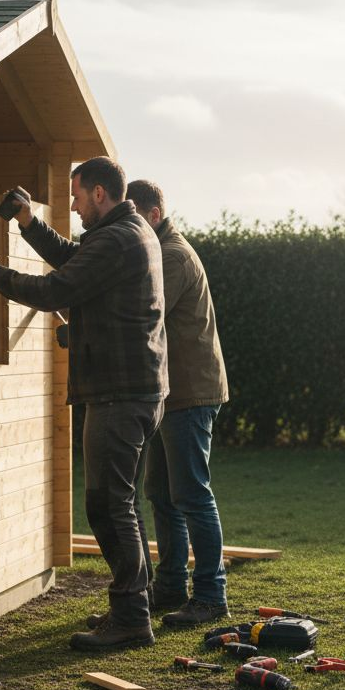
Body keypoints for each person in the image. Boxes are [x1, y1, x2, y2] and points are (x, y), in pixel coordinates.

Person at [0, 157, 167, 650]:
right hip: (134, 390)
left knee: (106, 506)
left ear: (100, 193)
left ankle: (130, 618)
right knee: (123, 506)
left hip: (119, 395)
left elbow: (58, 287)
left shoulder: (119, 238)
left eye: (77, 198)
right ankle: (132, 610)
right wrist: (27, 221)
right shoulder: (125, 232)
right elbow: (75, 258)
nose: (75, 208)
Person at [125, 179, 231, 626]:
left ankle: (210, 595)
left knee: (191, 494)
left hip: (192, 392)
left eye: (133, 221)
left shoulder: (171, 256)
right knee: (161, 494)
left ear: (152, 215)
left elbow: (144, 311)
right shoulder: (160, 249)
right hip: (174, 393)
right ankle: (171, 586)